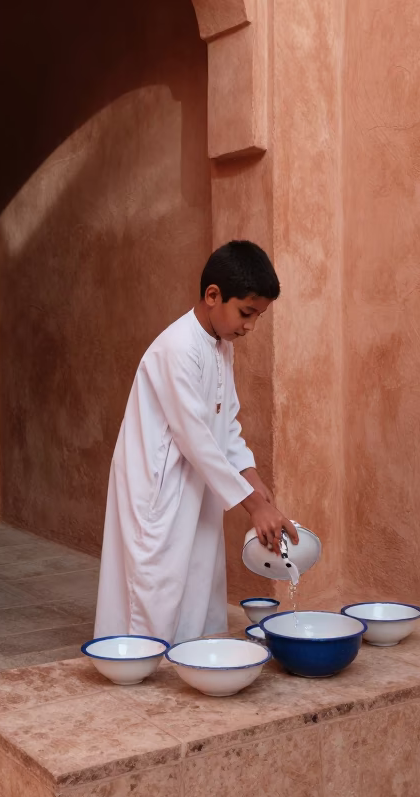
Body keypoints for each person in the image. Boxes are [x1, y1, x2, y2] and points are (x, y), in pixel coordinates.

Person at [94, 240, 299, 645]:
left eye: (257, 316)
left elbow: (226, 424)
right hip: (159, 489)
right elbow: (195, 437)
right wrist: (253, 505)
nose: (250, 326)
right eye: (246, 312)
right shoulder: (178, 347)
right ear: (212, 296)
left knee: (197, 580)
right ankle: (139, 670)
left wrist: (255, 482)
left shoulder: (221, 347)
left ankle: (190, 664)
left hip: (198, 486)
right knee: (156, 585)